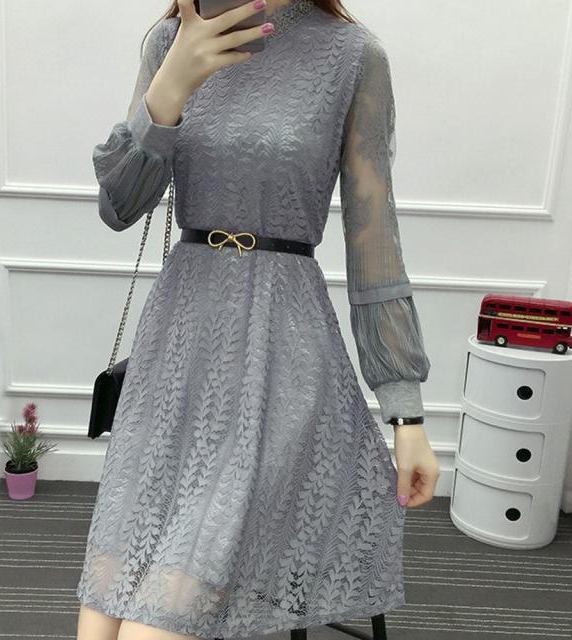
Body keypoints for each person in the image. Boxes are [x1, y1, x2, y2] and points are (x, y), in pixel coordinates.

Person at [76, 1, 439, 639]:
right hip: (180, 347)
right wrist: (171, 85)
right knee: (106, 598)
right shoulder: (171, 40)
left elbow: (373, 235)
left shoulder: (353, 56)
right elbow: (119, 206)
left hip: (282, 356)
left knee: (158, 611)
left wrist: (405, 412)